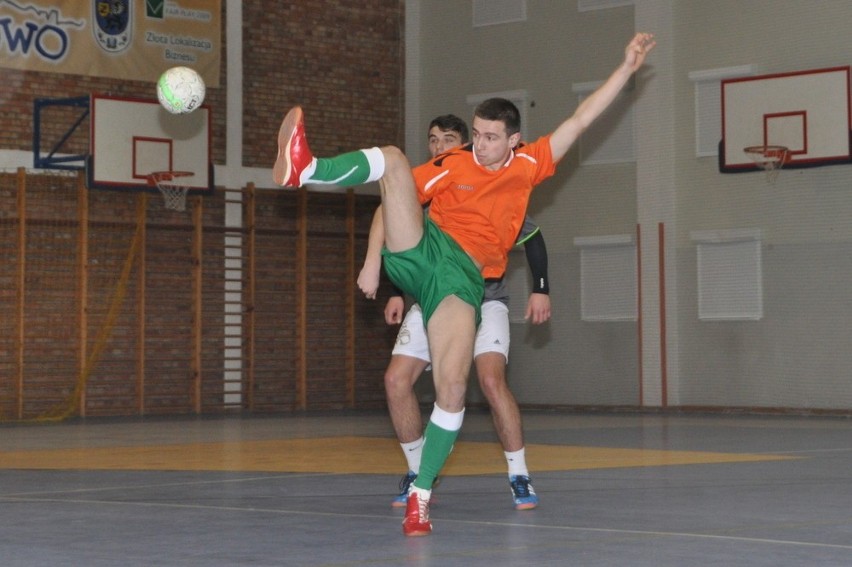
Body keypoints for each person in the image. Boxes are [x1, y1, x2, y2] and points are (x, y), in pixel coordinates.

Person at [273, 32, 656, 536]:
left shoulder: (531, 164)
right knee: (390, 159)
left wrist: (626, 68)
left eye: (491, 136)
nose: (480, 143)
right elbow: (396, 198)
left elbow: (582, 118)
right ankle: (307, 170)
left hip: (461, 282)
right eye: (476, 133)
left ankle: (421, 497)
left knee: (452, 389)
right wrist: (373, 264)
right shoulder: (453, 163)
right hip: (423, 251)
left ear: (514, 139)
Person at [378, 114, 552, 511]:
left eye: (449, 140)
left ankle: (519, 474)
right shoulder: (425, 186)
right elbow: (396, 237)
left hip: (485, 298)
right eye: (433, 140)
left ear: (466, 145)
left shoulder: (484, 181)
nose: (439, 147)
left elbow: (534, 236)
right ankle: (419, 470)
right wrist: (396, 291)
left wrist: (541, 288)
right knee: (395, 380)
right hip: (431, 298)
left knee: (490, 380)